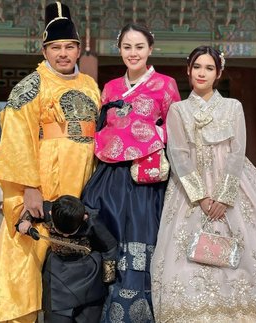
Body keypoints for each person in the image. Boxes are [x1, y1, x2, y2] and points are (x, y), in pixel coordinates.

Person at [151, 45, 256, 322]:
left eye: (209, 68)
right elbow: (177, 154)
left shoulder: (232, 106)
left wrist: (225, 196)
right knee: (186, 261)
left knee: (255, 255)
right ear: (188, 70)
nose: (202, 73)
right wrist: (201, 197)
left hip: (235, 186)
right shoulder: (178, 110)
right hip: (191, 193)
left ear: (218, 73)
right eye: (197, 67)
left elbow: (238, 150)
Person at [0, 2, 101, 322]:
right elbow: (16, 137)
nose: (63, 54)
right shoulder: (30, 87)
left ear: (79, 50)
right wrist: (29, 186)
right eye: (56, 47)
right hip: (46, 180)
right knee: (32, 254)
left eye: (69, 47)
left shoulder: (89, 87)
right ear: (44, 50)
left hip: (83, 180)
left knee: (78, 255)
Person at [80, 23, 181, 322]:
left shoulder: (166, 85)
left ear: (150, 49)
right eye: (127, 47)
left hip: (144, 180)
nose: (133, 53)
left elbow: (176, 133)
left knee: (142, 240)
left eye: (139, 47)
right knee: (104, 240)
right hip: (109, 179)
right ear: (119, 49)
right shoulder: (110, 87)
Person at [16, 195, 118, 323]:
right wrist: (24, 222)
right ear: (50, 214)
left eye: (70, 233)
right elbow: (29, 213)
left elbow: (110, 246)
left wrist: (108, 278)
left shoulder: (91, 219)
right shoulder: (49, 210)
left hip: (88, 273)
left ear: (84, 218)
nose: (64, 235)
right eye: (61, 230)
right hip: (58, 273)